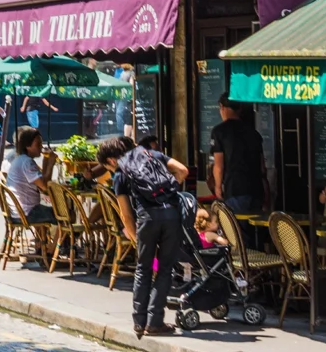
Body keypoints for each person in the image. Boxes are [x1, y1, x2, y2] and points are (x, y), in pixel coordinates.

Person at [110, 132, 195, 338]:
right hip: (171, 215)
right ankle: (155, 322)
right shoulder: (153, 155)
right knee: (165, 269)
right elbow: (183, 170)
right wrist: (169, 188)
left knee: (143, 268)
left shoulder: (121, 172)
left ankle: (139, 322)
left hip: (146, 218)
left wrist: (133, 236)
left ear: (113, 159)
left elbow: (125, 213)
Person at [4, 128, 55, 271]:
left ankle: (42, 249)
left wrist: (46, 162)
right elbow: (44, 186)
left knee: (50, 210)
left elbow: (41, 181)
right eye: (37, 144)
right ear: (27, 146)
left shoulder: (21, 160)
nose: (41, 147)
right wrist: (50, 163)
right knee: (67, 217)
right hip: (27, 211)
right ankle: (52, 251)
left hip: (20, 210)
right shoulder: (27, 163)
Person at [210, 99, 269, 220]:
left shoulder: (219, 132)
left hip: (234, 188)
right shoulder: (253, 132)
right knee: (254, 230)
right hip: (256, 189)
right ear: (240, 109)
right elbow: (262, 166)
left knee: (237, 231)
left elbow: (218, 166)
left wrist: (217, 187)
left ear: (222, 107)